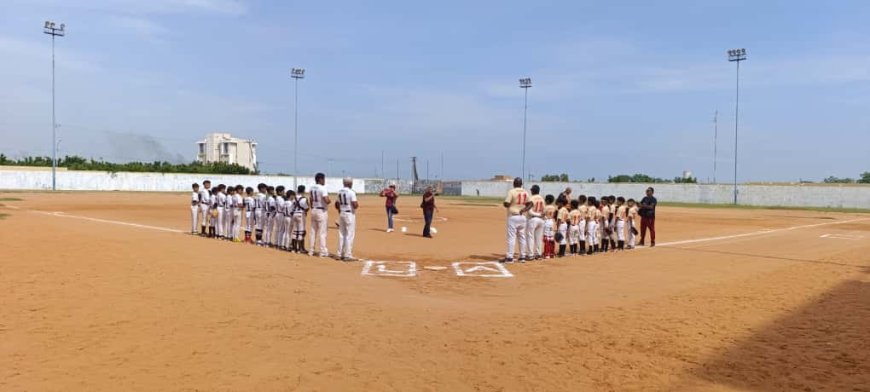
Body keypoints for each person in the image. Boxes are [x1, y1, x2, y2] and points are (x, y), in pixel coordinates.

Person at [503, 177, 532, 263]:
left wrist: (505, 204)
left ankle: (510, 257)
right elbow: (530, 204)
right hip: (522, 216)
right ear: (521, 184)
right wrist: (524, 209)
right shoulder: (526, 192)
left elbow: (507, 203)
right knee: (522, 237)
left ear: (514, 184)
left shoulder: (512, 191)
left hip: (513, 216)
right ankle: (522, 256)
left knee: (511, 237)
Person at [335, 177, 359, 261]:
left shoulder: (339, 192)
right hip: (349, 214)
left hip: (342, 213)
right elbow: (355, 205)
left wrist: (340, 210)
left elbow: (336, 204)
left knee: (341, 234)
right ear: (350, 183)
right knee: (349, 235)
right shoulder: (351, 192)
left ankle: (339, 253)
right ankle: (347, 255)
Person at [309, 173, 331, 257]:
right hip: (321, 211)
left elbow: (310, 199)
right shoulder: (322, 188)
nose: (324, 181)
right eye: (323, 179)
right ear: (320, 179)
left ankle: (311, 251)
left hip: (314, 209)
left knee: (313, 232)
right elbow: (326, 200)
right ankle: (322, 251)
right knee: (322, 232)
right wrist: (329, 201)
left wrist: (313, 206)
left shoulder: (311, 188)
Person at [526, 185, 545, 260]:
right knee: (538, 238)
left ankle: (530, 255)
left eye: (531, 190)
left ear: (533, 191)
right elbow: (544, 210)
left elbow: (529, 211)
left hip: (533, 219)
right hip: (541, 220)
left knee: (530, 237)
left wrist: (537, 214)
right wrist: (541, 216)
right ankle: (538, 254)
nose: (531, 191)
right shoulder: (542, 198)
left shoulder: (531, 198)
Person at [291, 185, 309, 254]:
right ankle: (299, 249)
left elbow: (292, 207)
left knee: (295, 231)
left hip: (294, 214)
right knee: (301, 232)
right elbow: (307, 208)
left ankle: (293, 248)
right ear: (303, 190)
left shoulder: (294, 198)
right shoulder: (304, 199)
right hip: (301, 215)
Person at [542, 195, 557, 259]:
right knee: (551, 238)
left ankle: (546, 254)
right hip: (551, 222)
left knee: (546, 238)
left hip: (547, 222)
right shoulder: (554, 207)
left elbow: (542, 214)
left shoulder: (546, 207)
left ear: (547, 200)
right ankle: (551, 253)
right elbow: (555, 215)